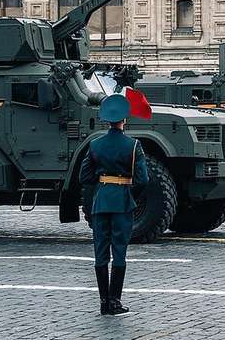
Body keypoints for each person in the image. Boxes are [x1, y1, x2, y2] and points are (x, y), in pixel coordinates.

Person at [79, 94, 148, 316]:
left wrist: (103, 184)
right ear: (124, 120)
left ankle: (103, 302)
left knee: (100, 252)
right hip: (122, 200)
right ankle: (115, 301)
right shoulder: (133, 145)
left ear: (106, 120)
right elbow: (143, 179)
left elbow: (84, 176)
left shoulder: (95, 144)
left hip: (101, 201)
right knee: (119, 251)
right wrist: (128, 191)